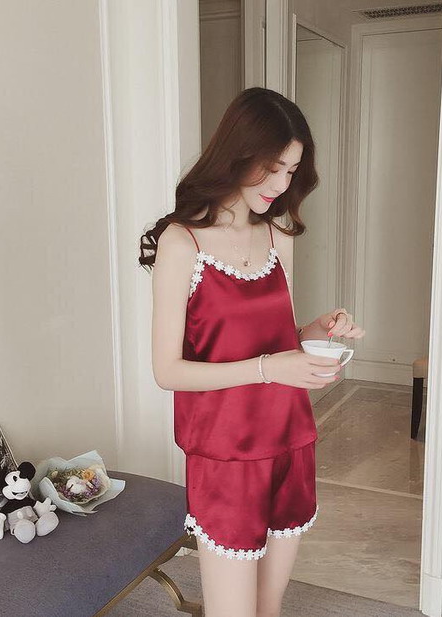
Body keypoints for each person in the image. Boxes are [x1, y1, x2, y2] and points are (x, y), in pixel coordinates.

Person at [140, 87, 365, 617]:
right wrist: (269, 368)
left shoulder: (277, 235)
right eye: (273, 168)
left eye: (292, 171)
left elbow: (278, 337)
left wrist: (319, 329)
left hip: (291, 437)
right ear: (237, 154)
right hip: (227, 452)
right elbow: (167, 372)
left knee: (269, 607)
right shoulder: (182, 243)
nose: (282, 184)